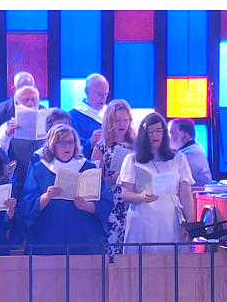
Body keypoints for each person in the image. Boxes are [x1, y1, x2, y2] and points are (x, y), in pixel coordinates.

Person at [18, 124, 113, 254]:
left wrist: (89, 206)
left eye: (71, 142)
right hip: (49, 236)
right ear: (53, 145)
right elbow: (26, 205)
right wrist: (46, 197)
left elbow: (106, 202)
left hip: (84, 235)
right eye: (62, 142)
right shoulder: (39, 169)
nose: (67, 146)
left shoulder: (89, 168)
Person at [119, 113, 195, 254]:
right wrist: (141, 197)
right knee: (141, 263)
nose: (155, 135)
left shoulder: (178, 158)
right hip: (142, 218)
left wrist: (191, 225)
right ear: (144, 134)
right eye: (151, 132)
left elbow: (186, 194)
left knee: (171, 262)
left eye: (159, 131)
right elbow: (125, 194)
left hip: (170, 218)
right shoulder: (132, 159)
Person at [91, 100, 135, 256]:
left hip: (134, 200)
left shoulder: (136, 146)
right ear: (109, 122)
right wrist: (110, 180)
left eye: (125, 120)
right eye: (117, 120)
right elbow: (93, 182)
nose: (122, 124)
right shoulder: (101, 148)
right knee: (113, 247)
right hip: (112, 202)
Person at [0, 86, 45, 197]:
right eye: (26, 100)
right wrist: (8, 134)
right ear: (17, 104)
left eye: (34, 99)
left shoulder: (48, 122)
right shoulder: (7, 126)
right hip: (18, 180)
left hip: (42, 180)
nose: (30, 103)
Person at [0, 71, 44, 138]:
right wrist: (6, 133)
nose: (27, 91)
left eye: (30, 87)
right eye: (23, 88)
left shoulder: (43, 111)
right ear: (13, 89)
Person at [69, 73, 109, 159]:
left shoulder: (110, 112)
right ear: (87, 91)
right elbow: (72, 147)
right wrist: (90, 142)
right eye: (100, 94)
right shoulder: (73, 116)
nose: (103, 98)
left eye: (106, 94)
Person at [169, 118, 212, 186]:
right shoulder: (190, 150)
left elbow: (171, 179)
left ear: (185, 137)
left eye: (171, 134)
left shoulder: (190, 154)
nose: (167, 138)